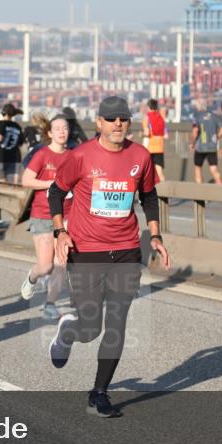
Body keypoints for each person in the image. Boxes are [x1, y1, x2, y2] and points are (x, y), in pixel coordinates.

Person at [47, 97, 171, 418]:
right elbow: (56, 192)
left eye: (124, 119)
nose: (118, 124)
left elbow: (149, 196)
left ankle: (99, 393)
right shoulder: (81, 156)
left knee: (116, 324)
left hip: (127, 250)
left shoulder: (140, 156)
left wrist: (155, 235)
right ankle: (68, 332)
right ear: (99, 123)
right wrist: (61, 231)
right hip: (87, 251)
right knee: (91, 328)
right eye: (111, 119)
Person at [21, 114, 72, 321]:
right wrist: (52, 184)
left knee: (61, 263)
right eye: (57, 128)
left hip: (67, 215)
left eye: (65, 128)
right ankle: (33, 277)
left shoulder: (74, 156)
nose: (62, 131)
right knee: (46, 266)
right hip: (42, 214)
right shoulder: (42, 155)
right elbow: (26, 180)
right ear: (50, 133)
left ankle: (50, 304)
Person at [190, 102, 222, 184]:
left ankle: (199, 192)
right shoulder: (214, 116)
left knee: (198, 168)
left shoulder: (197, 117)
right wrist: (216, 137)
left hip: (200, 147)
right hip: (212, 147)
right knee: (214, 169)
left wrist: (193, 143)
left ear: (199, 108)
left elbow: (195, 131)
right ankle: (221, 189)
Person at [142, 98, 168, 182]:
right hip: (159, 148)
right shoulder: (161, 117)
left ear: (148, 107)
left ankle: (148, 193)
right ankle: (164, 193)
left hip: (149, 148)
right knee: (159, 172)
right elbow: (166, 135)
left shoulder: (147, 118)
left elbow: (146, 133)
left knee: (147, 172)